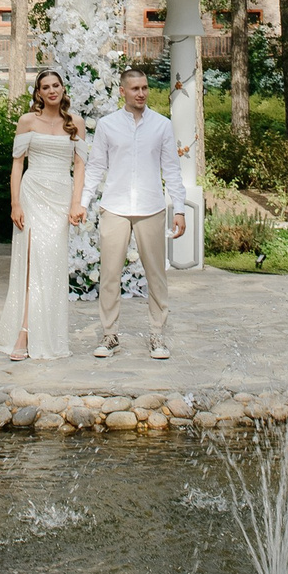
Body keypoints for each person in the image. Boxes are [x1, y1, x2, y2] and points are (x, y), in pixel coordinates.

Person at [83, 66, 187, 360]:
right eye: (135, 89)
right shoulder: (107, 125)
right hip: (115, 206)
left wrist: (179, 209)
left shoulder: (162, 125)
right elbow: (95, 167)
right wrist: (82, 201)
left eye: (144, 88)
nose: (141, 93)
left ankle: (157, 335)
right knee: (109, 274)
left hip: (151, 207)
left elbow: (172, 171)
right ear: (123, 92)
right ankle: (109, 334)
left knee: (156, 275)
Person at [0, 69, 86, 362]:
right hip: (32, 194)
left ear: (63, 89)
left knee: (51, 264)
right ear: (38, 93)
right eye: (46, 87)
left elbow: (80, 166)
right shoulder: (27, 121)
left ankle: (47, 332)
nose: (52, 90)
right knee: (30, 264)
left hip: (59, 197)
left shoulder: (75, 123)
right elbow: (17, 164)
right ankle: (24, 333)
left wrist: (75, 203)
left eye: (56, 85)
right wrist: (15, 204)